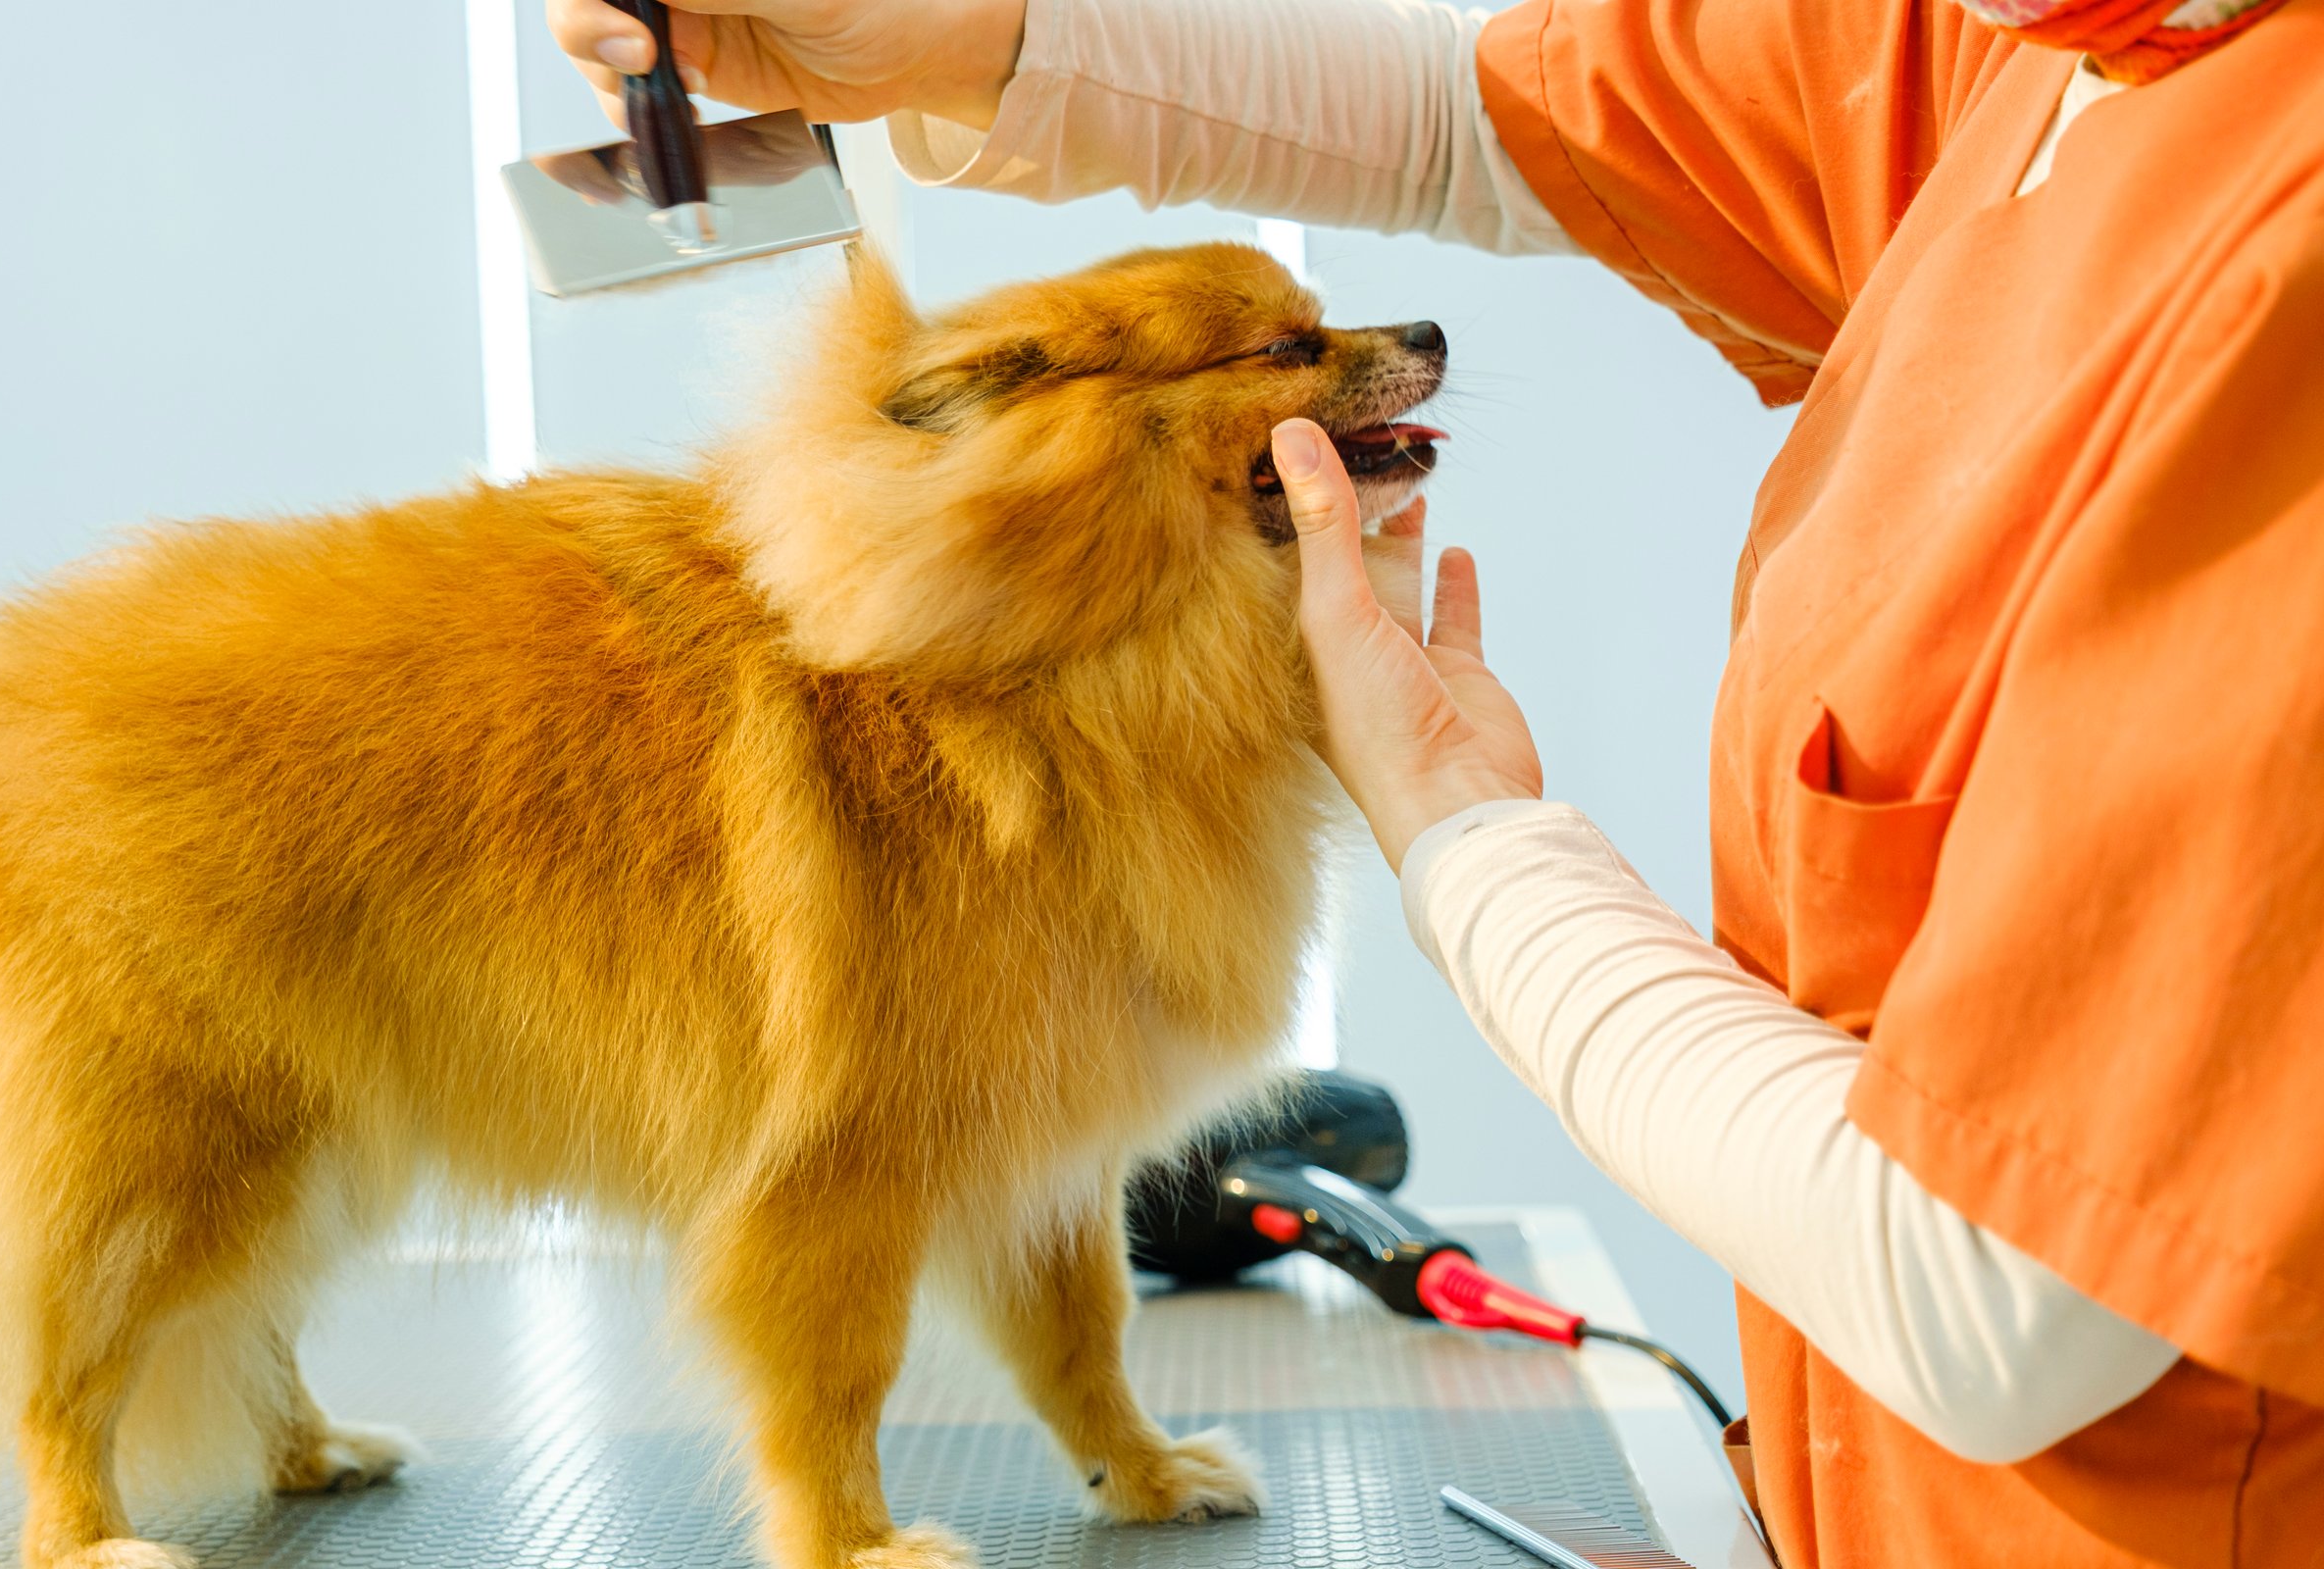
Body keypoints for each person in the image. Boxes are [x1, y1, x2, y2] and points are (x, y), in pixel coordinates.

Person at [547, 0, 2324, 1561]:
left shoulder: (2286, 269)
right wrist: (964, 34)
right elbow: (1513, 109)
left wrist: (1467, 841)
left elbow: (2002, 1289)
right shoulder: (2009, 41)